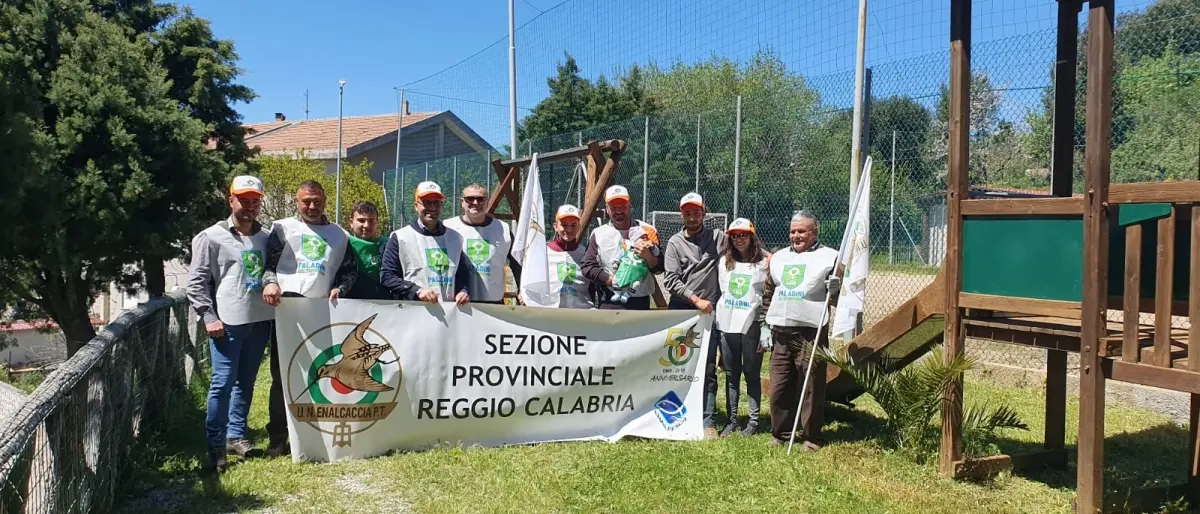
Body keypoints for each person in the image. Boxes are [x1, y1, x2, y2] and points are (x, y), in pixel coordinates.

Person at [260, 179, 358, 457]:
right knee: (284, 376)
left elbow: (349, 271)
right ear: (297, 202)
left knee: (322, 374)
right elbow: (268, 265)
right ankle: (278, 438)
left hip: (323, 314)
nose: (312, 206)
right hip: (288, 311)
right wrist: (269, 283)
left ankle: (318, 431)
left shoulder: (339, 235)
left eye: (317, 201)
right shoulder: (282, 229)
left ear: (325, 201)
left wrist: (341, 288)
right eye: (306, 201)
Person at [186, 175, 274, 473]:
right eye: (244, 200)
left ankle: (236, 435)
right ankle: (214, 443)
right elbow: (196, 283)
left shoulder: (267, 236)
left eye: (255, 201)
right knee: (222, 383)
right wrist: (208, 316)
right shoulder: (210, 236)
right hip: (227, 322)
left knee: (245, 382)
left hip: (260, 320)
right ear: (231, 199)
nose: (249, 206)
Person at [759, 210, 841, 450]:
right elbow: (768, 292)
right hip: (781, 332)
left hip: (811, 332)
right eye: (793, 231)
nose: (796, 235)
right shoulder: (779, 257)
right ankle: (781, 432)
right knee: (780, 384)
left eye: (802, 231)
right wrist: (764, 324)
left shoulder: (830, 257)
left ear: (814, 232)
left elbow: (839, 297)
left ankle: (811, 436)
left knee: (812, 385)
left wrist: (835, 289)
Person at [662, 192, 726, 438]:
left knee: (708, 367)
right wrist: (696, 299)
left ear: (704, 213)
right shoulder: (675, 243)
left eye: (696, 211)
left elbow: (746, 246)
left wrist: (768, 257)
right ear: (682, 214)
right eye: (687, 212)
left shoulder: (718, 238)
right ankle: (675, 414)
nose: (691, 216)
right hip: (682, 313)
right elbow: (670, 280)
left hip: (708, 315)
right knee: (674, 366)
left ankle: (707, 420)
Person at [714, 218, 771, 437]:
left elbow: (767, 293)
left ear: (751, 237)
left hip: (752, 326)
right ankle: (733, 419)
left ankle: (754, 421)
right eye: (735, 235)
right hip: (727, 324)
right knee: (731, 373)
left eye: (743, 235)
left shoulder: (764, 263)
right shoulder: (724, 262)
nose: (739, 239)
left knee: (751, 372)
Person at [380, 181, 472, 305]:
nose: (432, 208)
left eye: (437, 203)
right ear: (416, 205)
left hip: (449, 312)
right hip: (414, 310)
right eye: (427, 202)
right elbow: (387, 276)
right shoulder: (400, 237)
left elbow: (462, 273)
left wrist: (463, 291)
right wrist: (416, 291)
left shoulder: (455, 238)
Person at [580, 185, 662, 310]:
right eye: (613, 208)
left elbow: (660, 268)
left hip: (640, 302)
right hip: (609, 300)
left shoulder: (647, 230)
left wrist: (648, 257)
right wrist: (611, 280)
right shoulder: (598, 233)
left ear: (630, 206)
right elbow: (587, 266)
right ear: (607, 209)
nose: (618, 211)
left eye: (623, 206)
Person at [443, 184, 522, 304]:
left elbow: (517, 263)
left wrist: (522, 289)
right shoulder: (448, 227)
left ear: (487, 202)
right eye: (470, 198)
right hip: (458, 303)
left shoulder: (502, 229)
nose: (475, 202)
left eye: (480, 199)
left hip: (493, 303)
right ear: (462, 201)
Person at [545, 205, 594, 309]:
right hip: (551, 312)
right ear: (555, 226)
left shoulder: (585, 253)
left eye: (573, 225)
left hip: (581, 313)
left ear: (579, 227)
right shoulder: (544, 252)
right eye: (564, 225)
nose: (569, 229)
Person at [345, 201, 392, 300]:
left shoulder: (389, 245)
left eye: (371, 221)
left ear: (377, 222)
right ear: (351, 223)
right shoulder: (343, 244)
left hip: (386, 304)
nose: (366, 225)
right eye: (361, 220)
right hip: (351, 304)